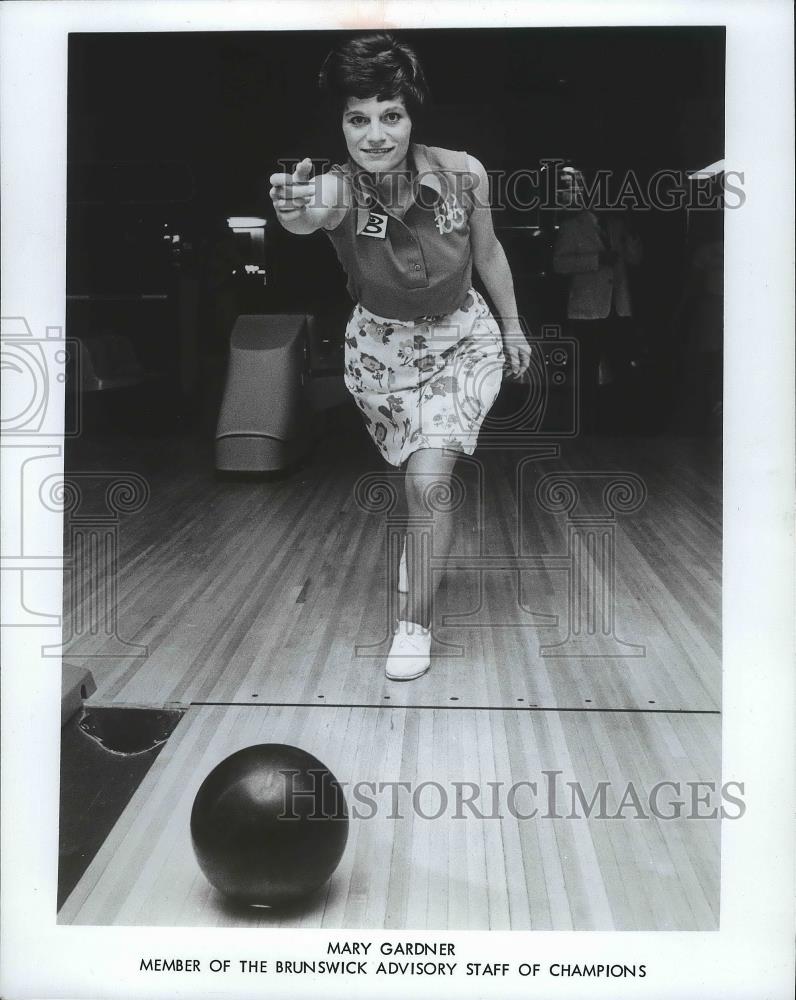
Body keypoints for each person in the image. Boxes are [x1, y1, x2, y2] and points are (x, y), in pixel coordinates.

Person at [269, 32, 531, 680]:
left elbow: (490, 255)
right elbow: (308, 216)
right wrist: (291, 211)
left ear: (412, 117)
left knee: (428, 483)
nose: (376, 134)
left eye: (391, 115)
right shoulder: (335, 189)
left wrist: (516, 329)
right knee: (409, 475)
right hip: (381, 355)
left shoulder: (465, 174)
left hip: (462, 341)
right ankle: (424, 548)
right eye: (358, 119)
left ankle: (413, 625)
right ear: (342, 125)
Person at [552, 166, 643, 431]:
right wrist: (596, 260)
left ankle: (616, 422)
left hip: (618, 307)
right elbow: (558, 264)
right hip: (587, 308)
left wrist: (633, 237)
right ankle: (587, 424)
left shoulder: (618, 226)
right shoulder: (572, 226)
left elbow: (636, 260)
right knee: (587, 368)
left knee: (620, 364)